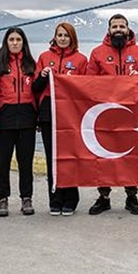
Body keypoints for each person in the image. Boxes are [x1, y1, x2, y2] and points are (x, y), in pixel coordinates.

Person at [85, 13, 138, 214]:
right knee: (104, 155)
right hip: (106, 113)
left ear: (128, 29)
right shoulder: (97, 53)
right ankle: (103, 196)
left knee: (131, 155)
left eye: (122, 26)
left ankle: (132, 197)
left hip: (131, 114)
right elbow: (88, 82)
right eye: (114, 26)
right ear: (108, 30)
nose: (118, 30)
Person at [32, 22, 88, 216]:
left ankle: (71, 199)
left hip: (71, 114)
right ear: (54, 37)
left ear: (72, 38)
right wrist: (42, 75)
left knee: (70, 157)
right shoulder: (44, 58)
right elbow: (35, 88)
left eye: (66, 35)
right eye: (59, 35)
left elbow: (86, 88)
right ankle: (55, 198)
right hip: (49, 112)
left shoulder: (81, 60)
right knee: (52, 158)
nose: (62, 38)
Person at [0, 27, 38, 217]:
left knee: (25, 162)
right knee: (2, 162)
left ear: (23, 43)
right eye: (11, 39)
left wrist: (37, 119)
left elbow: (37, 91)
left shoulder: (31, 65)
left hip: (27, 117)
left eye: (18, 40)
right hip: (4, 118)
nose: (15, 43)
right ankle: (2, 199)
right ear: (6, 42)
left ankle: (26, 197)